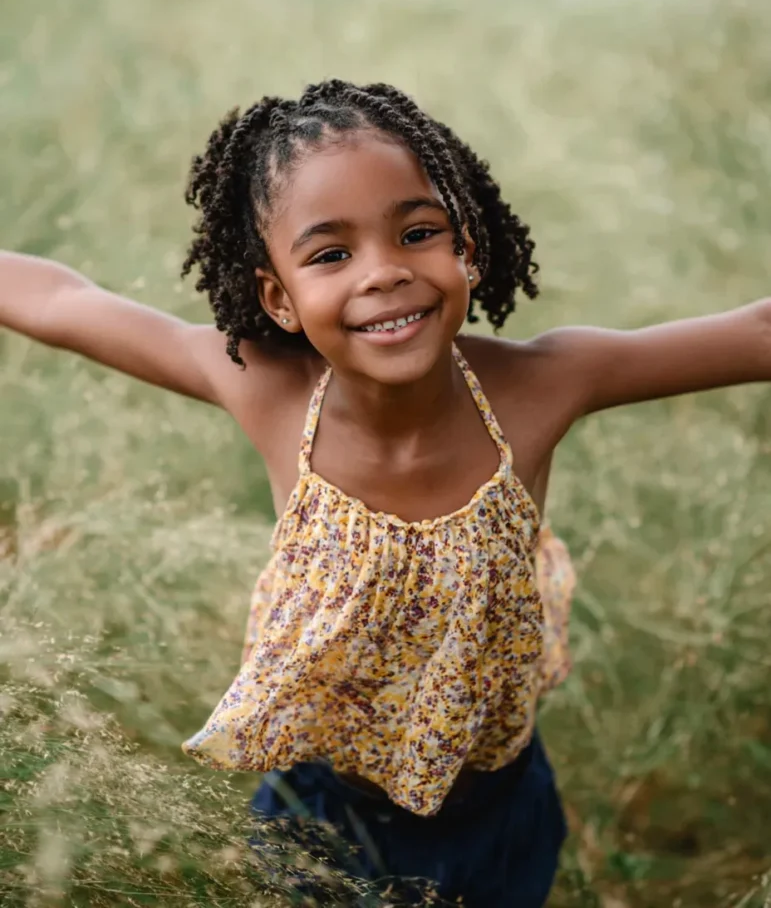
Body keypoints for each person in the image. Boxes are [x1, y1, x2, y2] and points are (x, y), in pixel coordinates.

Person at [1, 79, 768, 907]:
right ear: (278, 298)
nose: (385, 272)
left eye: (417, 232)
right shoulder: (270, 393)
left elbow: (754, 332)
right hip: (321, 811)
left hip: (499, 803)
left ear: (466, 246)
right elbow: (65, 301)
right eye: (331, 255)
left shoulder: (542, 385)